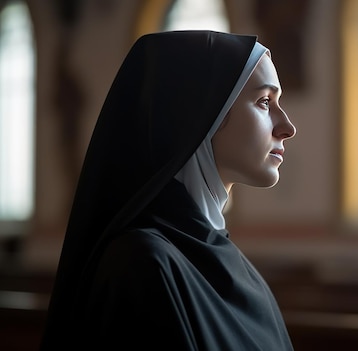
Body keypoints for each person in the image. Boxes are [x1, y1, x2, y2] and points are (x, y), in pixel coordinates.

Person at [39, 30, 296, 350]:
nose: (287, 127)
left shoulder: (236, 264)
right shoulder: (142, 264)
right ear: (200, 112)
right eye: (264, 101)